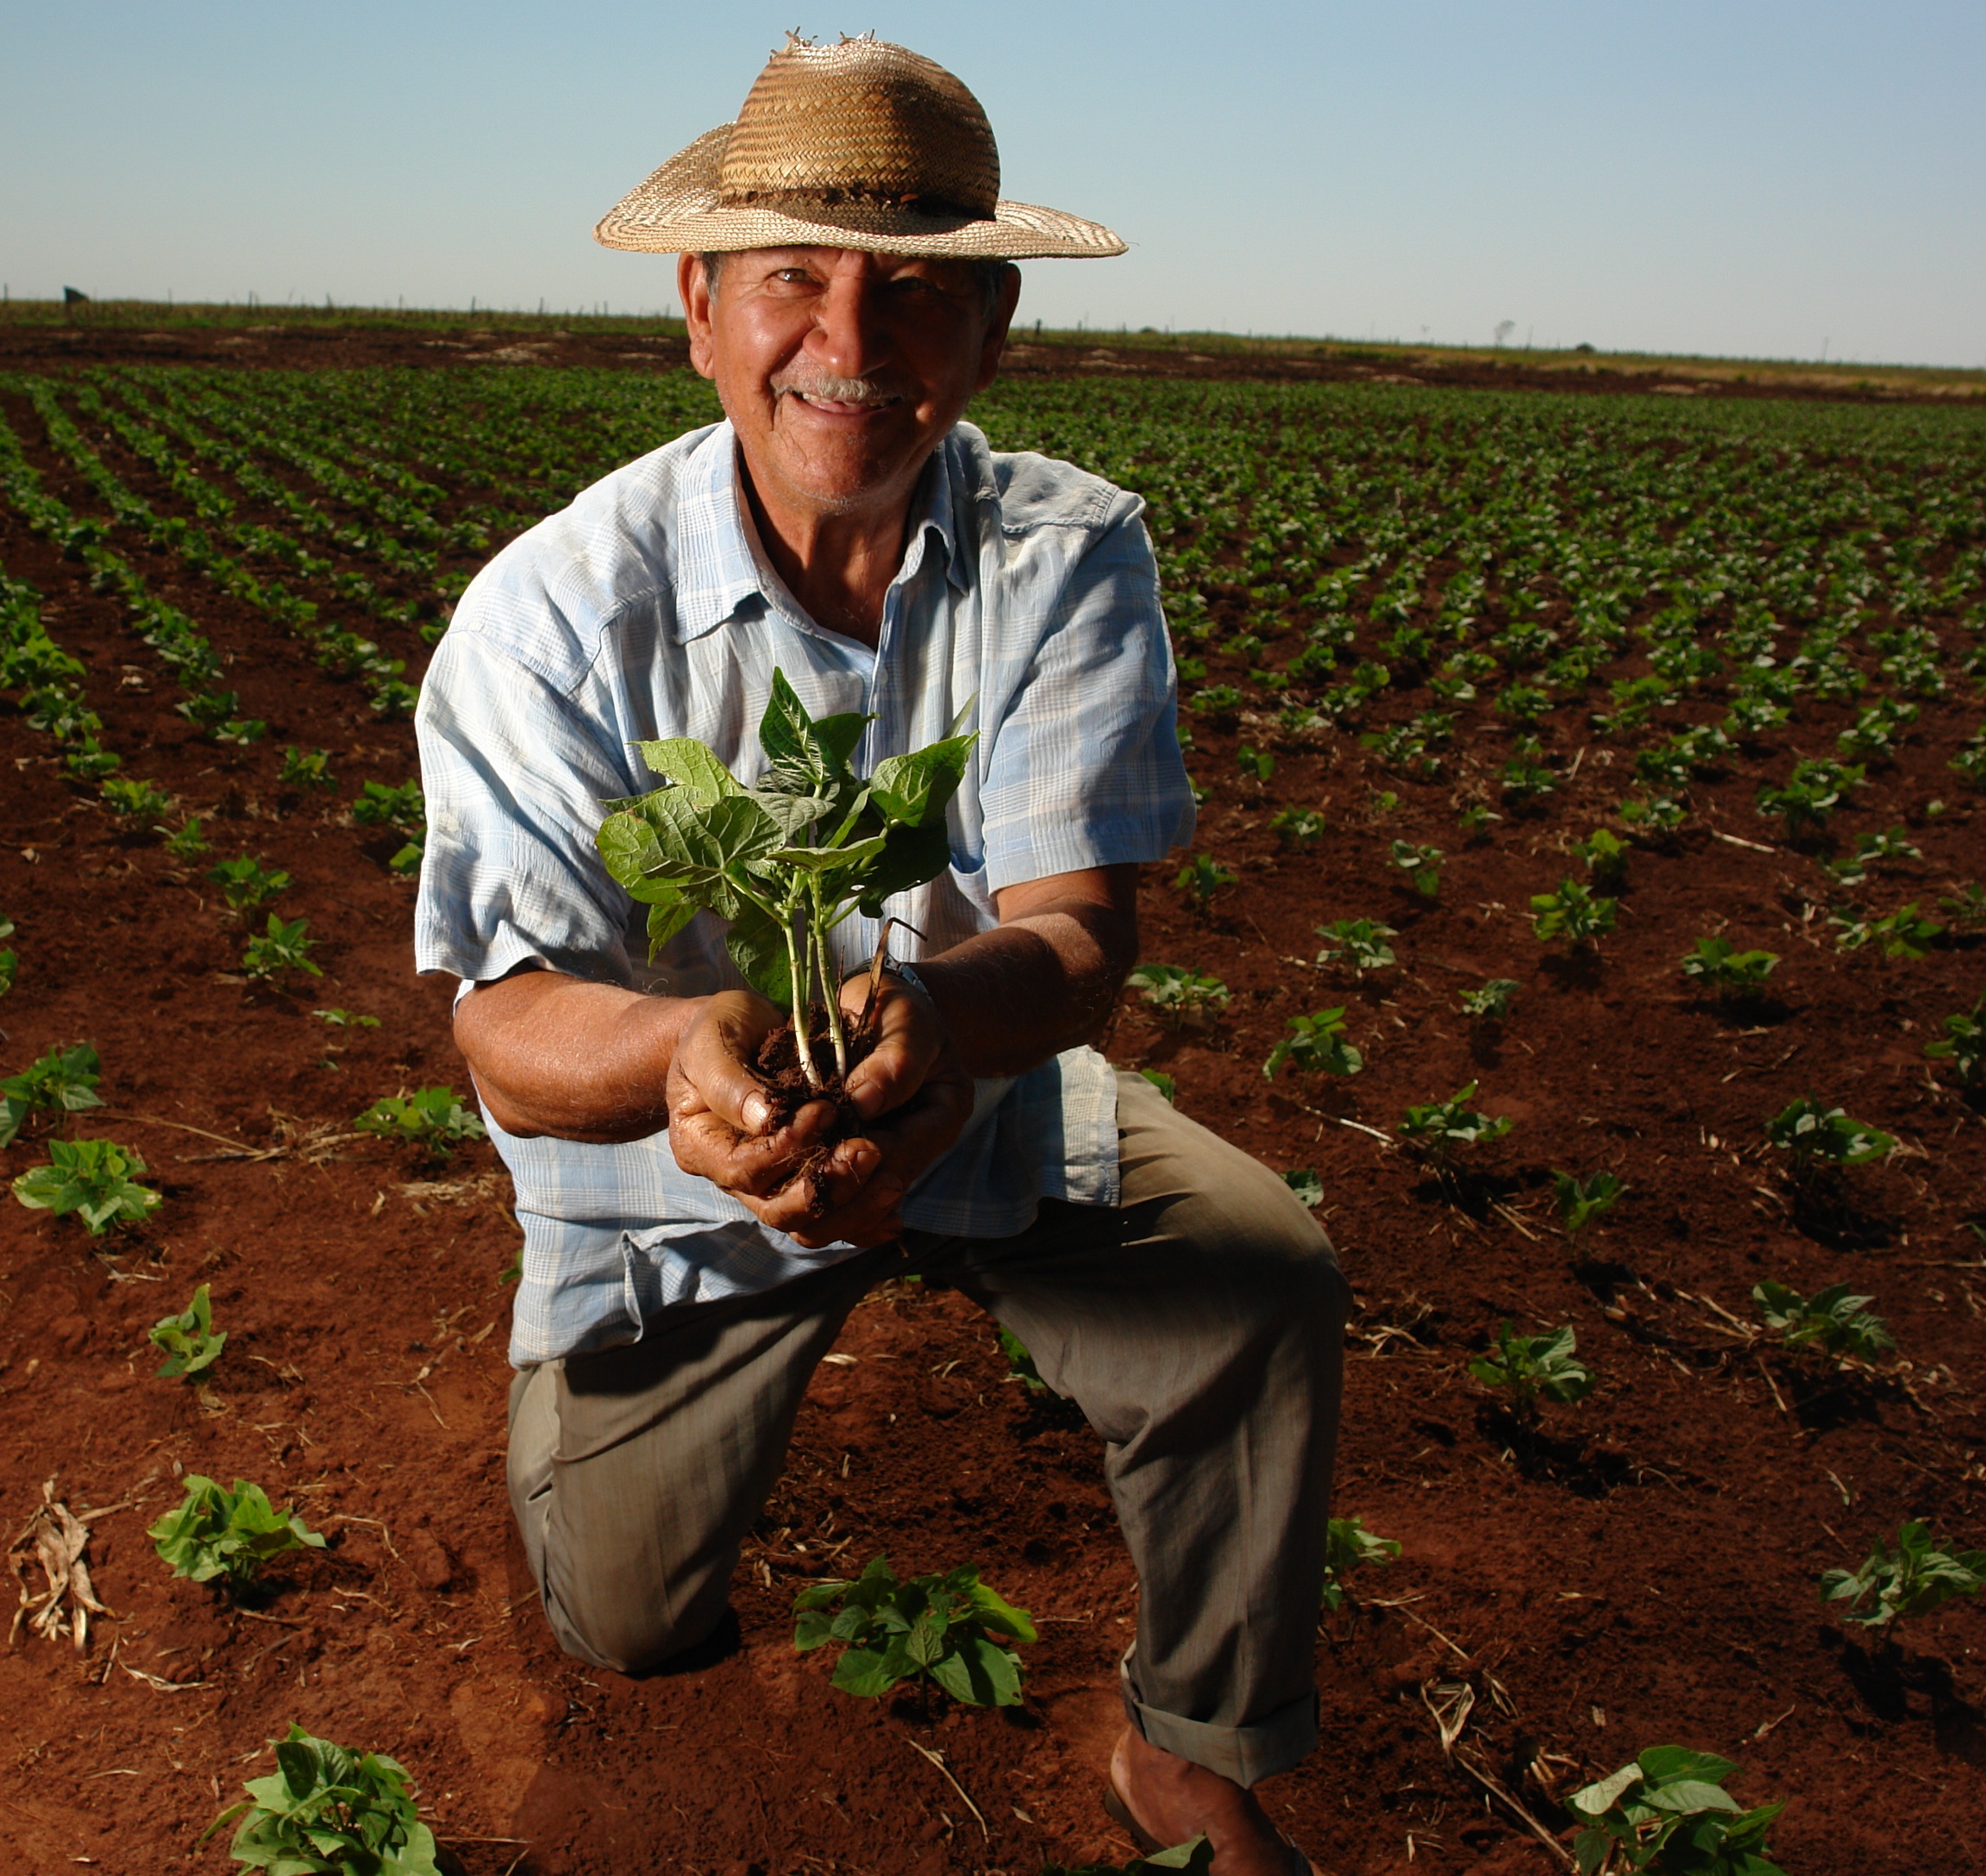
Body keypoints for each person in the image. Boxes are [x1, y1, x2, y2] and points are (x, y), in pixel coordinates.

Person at [411, 34, 1342, 1875]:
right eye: (795, 278)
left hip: (977, 1103)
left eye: (914, 289)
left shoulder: (1066, 555)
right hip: (688, 1180)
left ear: (990, 328)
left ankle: (1194, 1743)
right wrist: (700, 1060)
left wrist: (927, 1018)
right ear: (700, 309)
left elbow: (1080, 938)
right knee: (621, 1610)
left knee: (1260, 1281)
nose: (851, 337)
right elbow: (508, 1028)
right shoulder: (546, 615)